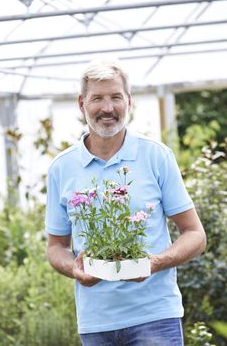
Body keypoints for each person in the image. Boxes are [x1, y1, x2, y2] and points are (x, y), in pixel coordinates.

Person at [45, 59, 206, 346]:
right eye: (97, 98)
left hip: (155, 317)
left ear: (129, 101)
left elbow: (195, 234)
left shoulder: (156, 156)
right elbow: (56, 246)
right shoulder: (62, 167)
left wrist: (154, 263)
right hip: (96, 323)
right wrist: (74, 269)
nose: (107, 108)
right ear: (82, 104)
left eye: (116, 97)